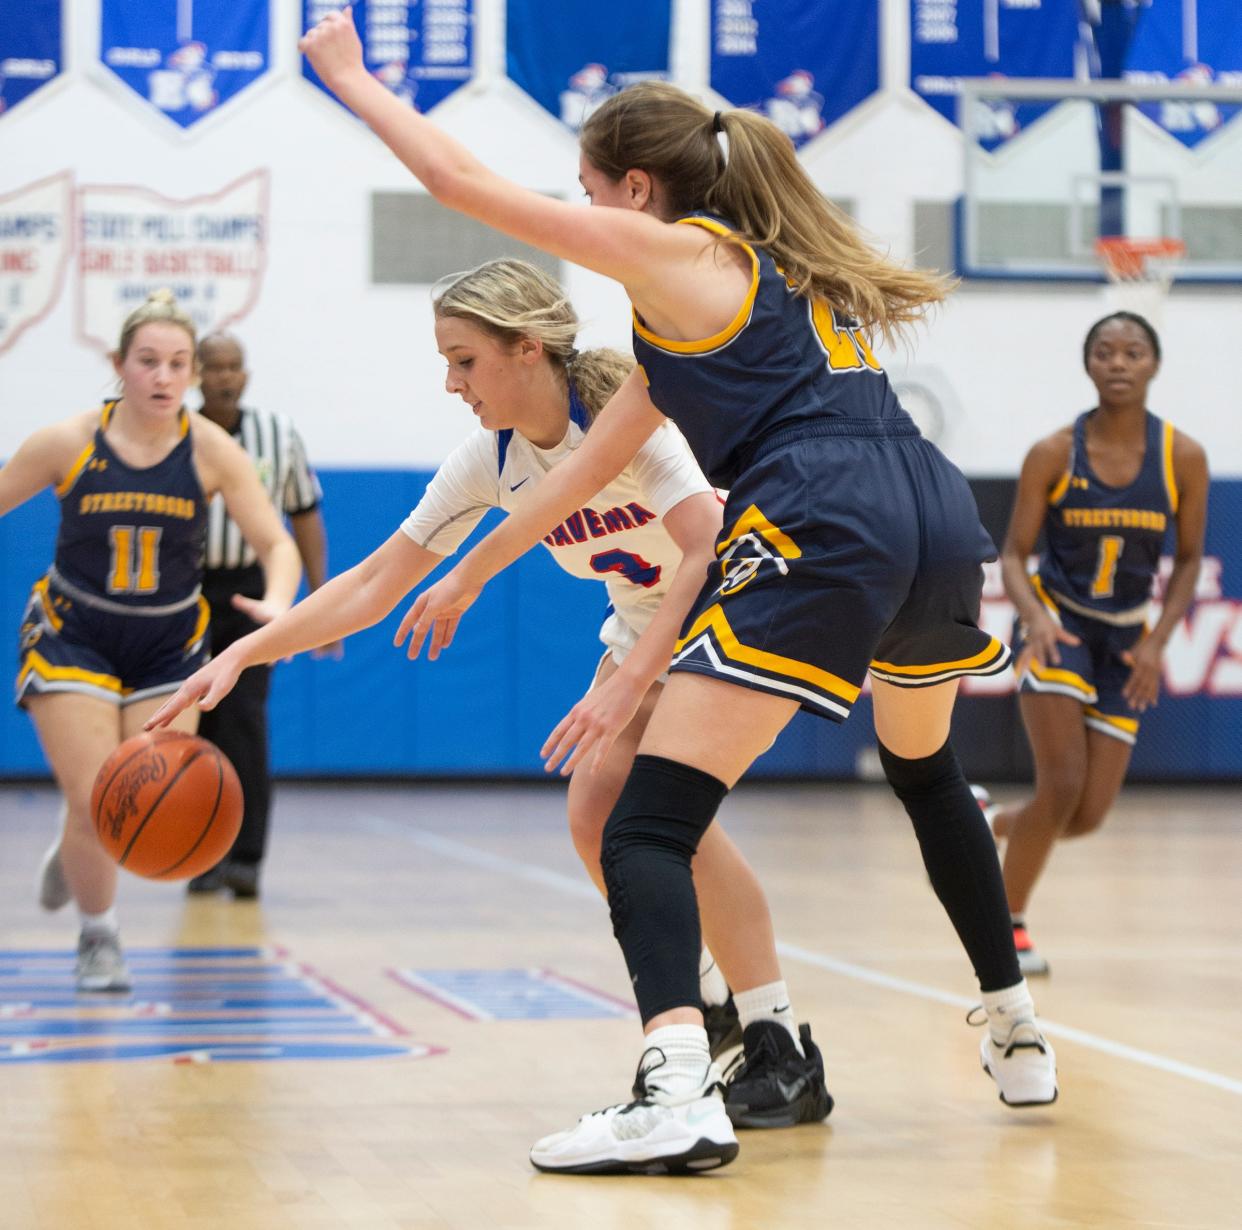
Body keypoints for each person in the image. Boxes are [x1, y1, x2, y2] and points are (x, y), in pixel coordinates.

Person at [285, 9, 1059, 1176]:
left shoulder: (679, 256)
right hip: (935, 512)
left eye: (586, 187)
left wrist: (351, 76)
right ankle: (1016, 1027)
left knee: (644, 821)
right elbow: (584, 471)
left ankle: (675, 1088)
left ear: (633, 191)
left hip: (825, 510)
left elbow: (454, 177)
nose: (581, 205)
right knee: (927, 770)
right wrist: (469, 572)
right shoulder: (775, 281)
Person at [147, 258, 833, 1133]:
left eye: (464, 360)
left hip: (737, 608)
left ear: (527, 349)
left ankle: (774, 1042)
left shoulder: (634, 421)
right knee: (596, 817)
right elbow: (373, 583)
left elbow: (701, 554)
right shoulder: (492, 459)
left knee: (653, 819)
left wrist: (625, 686)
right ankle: (714, 1001)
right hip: (644, 625)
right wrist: (241, 654)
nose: (451, 382)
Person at [0, 290, 300, 993]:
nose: (164, 377)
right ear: (119, 366)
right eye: (148, 362)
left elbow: (275, 541)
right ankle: (98, 937)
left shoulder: (210, 449)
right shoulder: (68, 442)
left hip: (170, 643)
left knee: (131, 798)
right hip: (75, 632)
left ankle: (79, 848)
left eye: (177, 364)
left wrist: (280, 601)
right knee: (94, 795)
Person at [980, 312, 1208, 977]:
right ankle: (1009, 927)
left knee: (1084, 816)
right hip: (1060, 626)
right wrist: (1034, 618)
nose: (1118, 362)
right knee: (1062, 785)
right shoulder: (1053, 452)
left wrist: (1160, 641)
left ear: (1153, 366)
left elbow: (1190, 560)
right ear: (1088, 365)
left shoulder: (1182, 457)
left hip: (1129, 639)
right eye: (1104, 352)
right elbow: (1015, 555)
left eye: (1132, 352)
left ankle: (986, 819)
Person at [187, 331, 338, 899]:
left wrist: (323, 606)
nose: (225, 376)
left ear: (245, 374)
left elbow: (304, 520)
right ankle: (199, 853)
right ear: (196, 374)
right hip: (186, 591)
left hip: (255, 589)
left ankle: (246, 857)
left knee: (244, 722)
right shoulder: (177, 435)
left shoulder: (278, 435)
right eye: (214, 366)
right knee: (194, 724)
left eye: (234, 366)